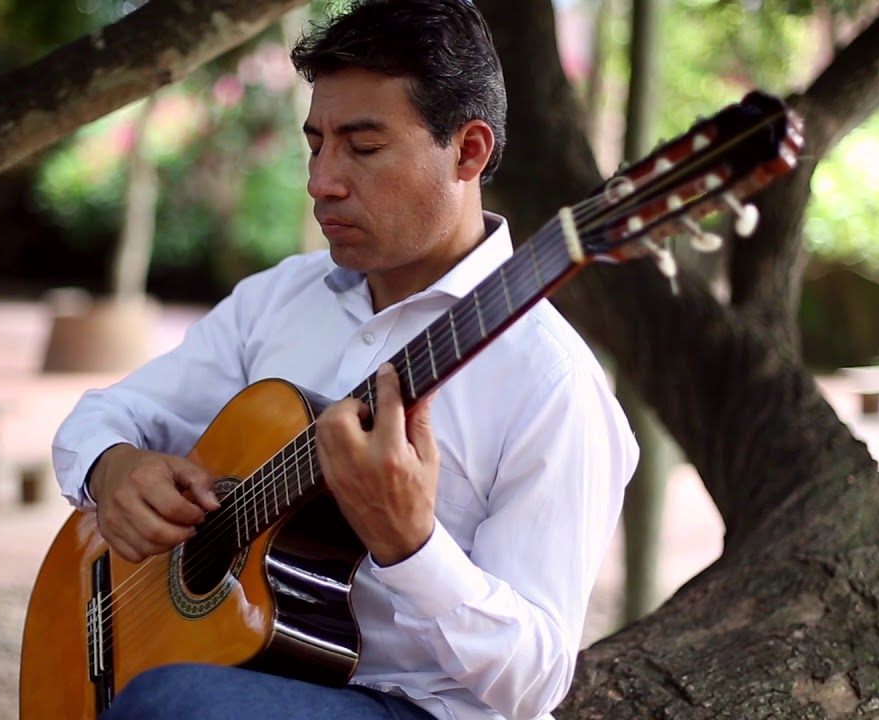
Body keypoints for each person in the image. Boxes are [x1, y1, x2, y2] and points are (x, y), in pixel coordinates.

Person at [50, 1, 638, 718]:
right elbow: (102, 417)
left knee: (174, 705)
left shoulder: (551, 382)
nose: (322, 180)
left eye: (362, 148)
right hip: (257, 670)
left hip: (417, 707)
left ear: (469, 150)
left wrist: (410, 545)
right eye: (316, 142)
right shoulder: (278, 300)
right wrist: (114, 468)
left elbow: (538, 680)